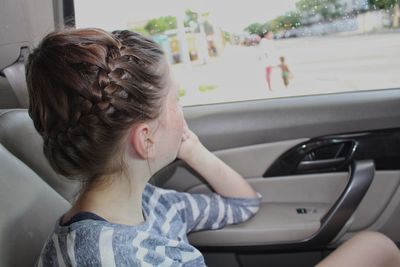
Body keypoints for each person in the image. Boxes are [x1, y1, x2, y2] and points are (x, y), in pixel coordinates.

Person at [27, 28, 400, 267]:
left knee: (374, 244)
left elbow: (243, 205)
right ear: (144, 140)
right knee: (377, 248)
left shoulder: (149, 203)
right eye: (175, 101)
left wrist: (189, 147)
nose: (182, 111)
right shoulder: (115, 257)